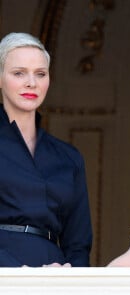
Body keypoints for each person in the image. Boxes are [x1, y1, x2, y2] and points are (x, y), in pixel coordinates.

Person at [0, 32, 92, 267]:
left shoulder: (68, 157)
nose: (31, 82)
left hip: (54, 277)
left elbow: (78, 243)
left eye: (40, 74)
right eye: (19, 73)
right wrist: (17, 273)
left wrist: (69, 276)